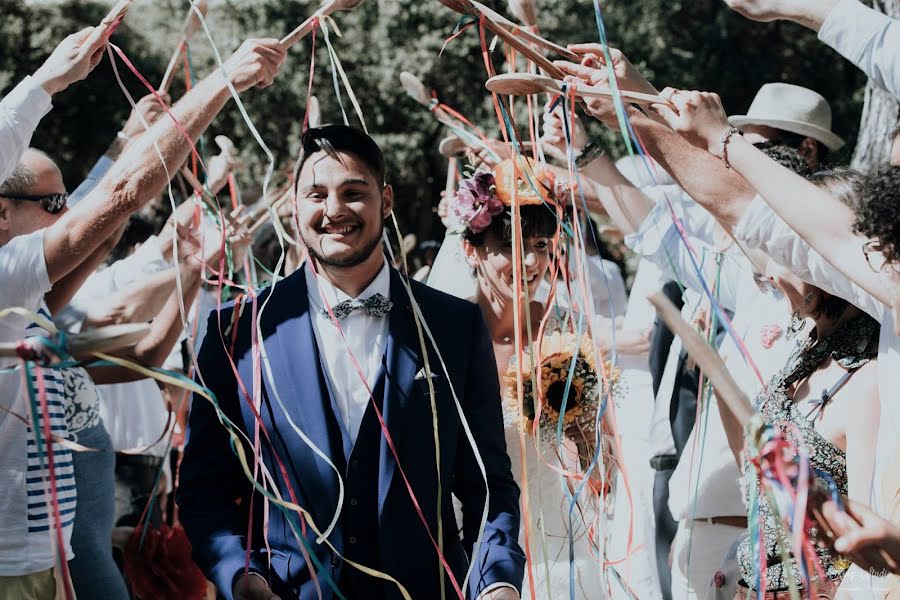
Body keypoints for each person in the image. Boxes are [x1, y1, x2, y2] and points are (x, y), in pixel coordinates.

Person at [178, 125, 525, 600]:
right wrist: (243, 576)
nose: (334, 210)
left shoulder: (453, 326)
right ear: (295, 207)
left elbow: (489, 484)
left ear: (386, 200)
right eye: (316, 194)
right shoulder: (234, 332)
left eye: (353, 193)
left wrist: (497, 581)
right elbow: (204, 491)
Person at [0, 32, 285, 598]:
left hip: (44, 561)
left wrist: (46, 84)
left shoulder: (23, 298)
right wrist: (223, 80)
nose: (66, 213)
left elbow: (101, 224)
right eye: (52, 205)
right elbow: (120, 195)